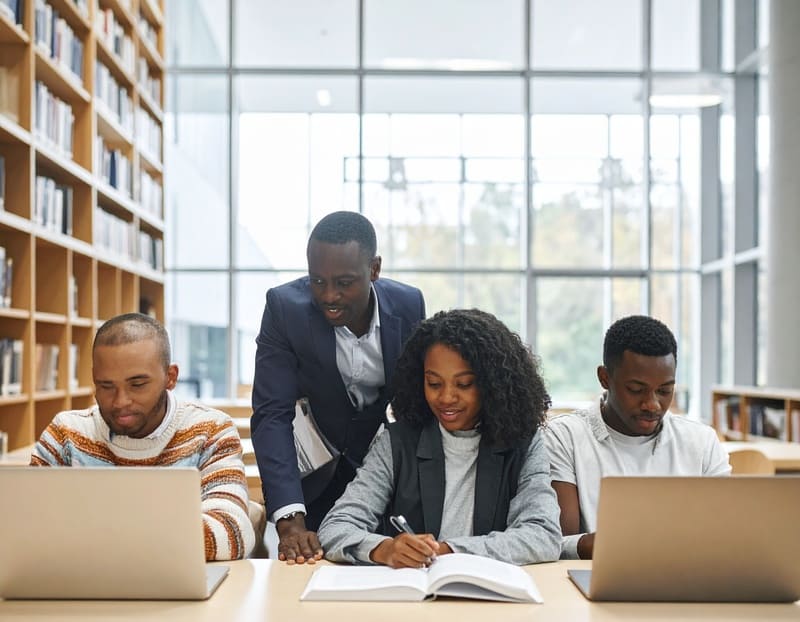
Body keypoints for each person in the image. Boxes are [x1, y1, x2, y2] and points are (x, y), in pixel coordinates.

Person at [317, 309, 562, 568]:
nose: (446, 398)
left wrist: (448, 550)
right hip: (414, 598)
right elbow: (336, 527)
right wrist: (384, 549)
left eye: (464, 384)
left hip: (490, 599)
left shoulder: (523, 443)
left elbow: (544, 536)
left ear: (493, 385)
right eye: (434, 384)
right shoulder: (397, 442)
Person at [251, 211, 426, 565]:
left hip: (385, 479)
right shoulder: (285, 310)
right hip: (313, 480)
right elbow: (272, 414)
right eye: (318, 281)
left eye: (344, 283)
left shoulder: (409, 306)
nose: (329, 296)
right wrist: (289, 519)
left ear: (374, 269)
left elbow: (417, 404)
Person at [30, 313, 256, 561]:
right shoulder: (65, 433)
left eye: (137, 384)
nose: (120, 401)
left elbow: (231, 533)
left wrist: (90, 534)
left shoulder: (210, 430)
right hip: (82, 586)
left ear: (171, 377)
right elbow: (27, 526)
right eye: (106, 386)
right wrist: (159, 535)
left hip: (176, 592)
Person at [546, 314, 731, 560]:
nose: (652, 404)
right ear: (605, 378)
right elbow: (556, 541)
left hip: (687, 578)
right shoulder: (564, 437)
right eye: (636, 390)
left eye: (665, 390)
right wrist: (609, 545)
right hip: (598, 578)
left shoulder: (702, 442)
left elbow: (727, 534)